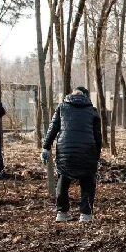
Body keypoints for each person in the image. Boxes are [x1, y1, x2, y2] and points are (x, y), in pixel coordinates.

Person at [41, 87, 102, 222]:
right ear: (86, 97)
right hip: (87, 150)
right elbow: (98, 137)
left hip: (65, 151)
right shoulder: (92, 111)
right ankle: (85, 214)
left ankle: (62, 213)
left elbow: (53, 128)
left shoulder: (62, 107)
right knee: (87, 181)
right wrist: (97, 157)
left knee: (63, 180)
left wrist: (46, 148)